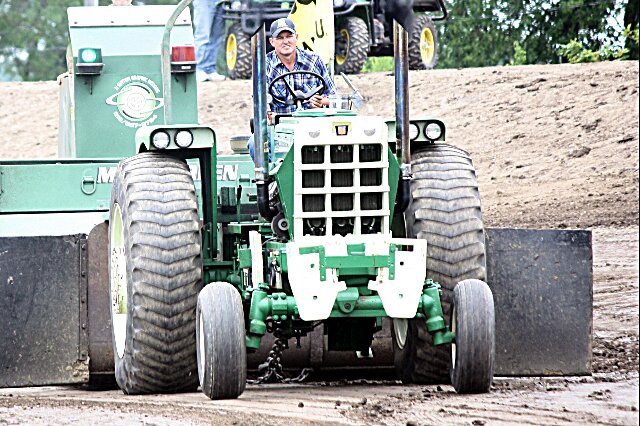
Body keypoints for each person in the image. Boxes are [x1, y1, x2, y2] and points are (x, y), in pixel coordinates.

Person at [248, 18, 337, 159]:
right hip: (279, 128)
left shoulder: (314, 60)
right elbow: (259, 101)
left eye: (289, 36)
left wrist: (321, 102)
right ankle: (273, 172)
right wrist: (267, 113)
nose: (286, 41)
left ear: (296, 37)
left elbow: (333, 97)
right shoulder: (263, 65)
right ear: (272, 42)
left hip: (313, 125)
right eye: (280, 38)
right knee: (255, 143)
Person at [193, 0, 226, 82]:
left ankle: (210, 69)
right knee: (203, 34)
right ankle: (198, 69)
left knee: (216, 36)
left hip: (221, 2)